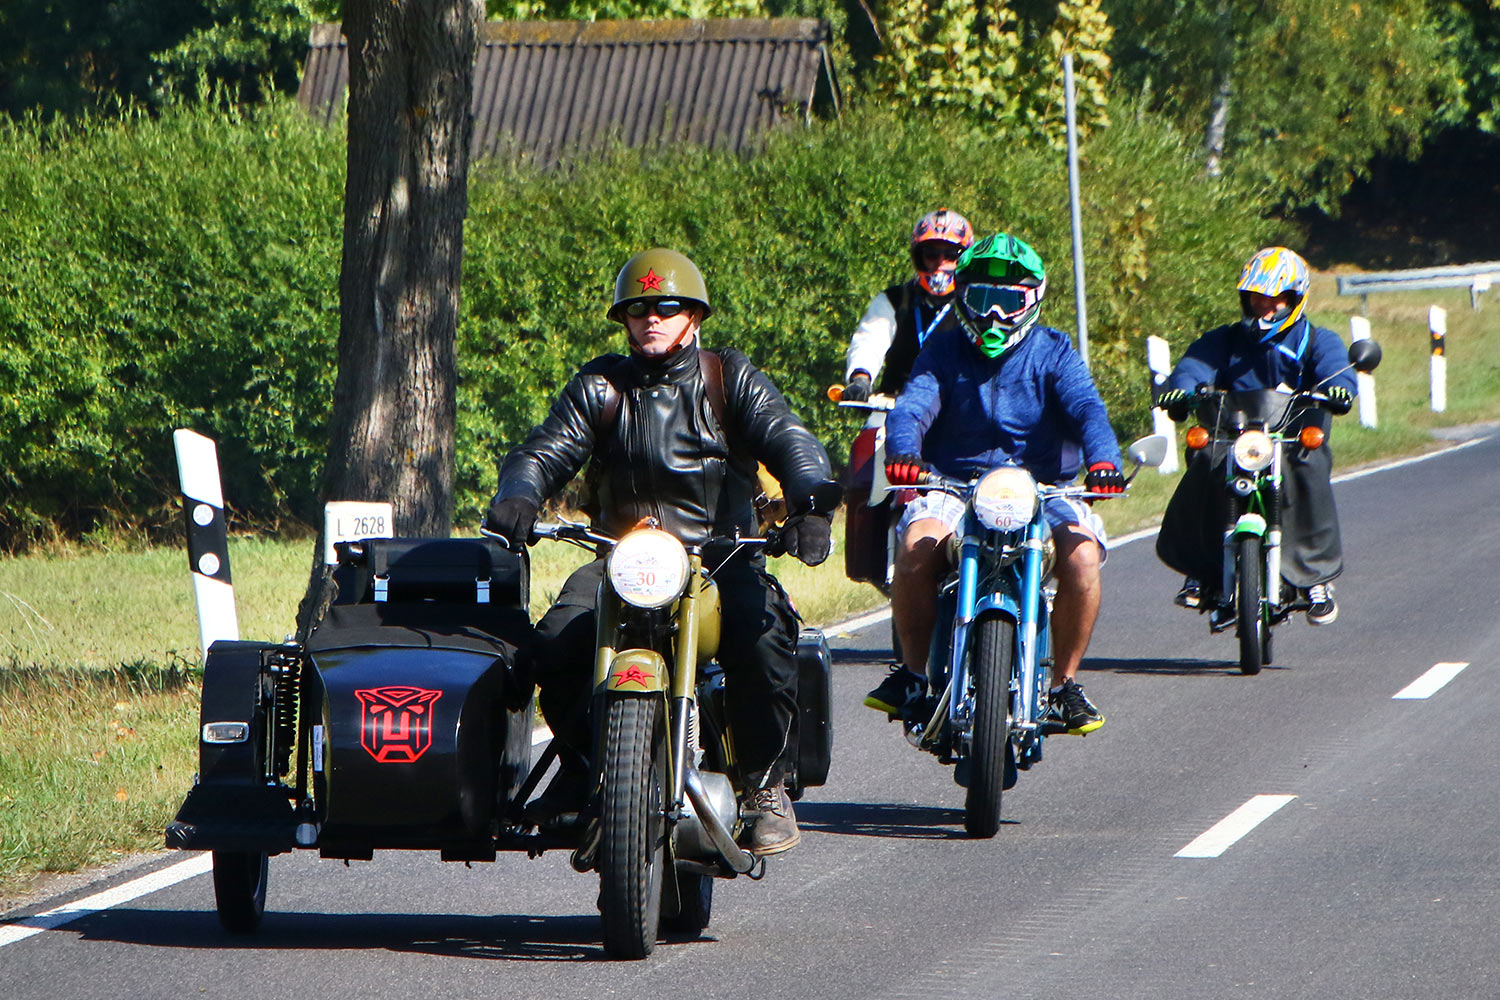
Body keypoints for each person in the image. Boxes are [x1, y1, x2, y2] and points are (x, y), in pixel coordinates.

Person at [486, 247, 834, 856]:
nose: (652, 318)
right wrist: (519, 493)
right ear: (624, 320)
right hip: (619, 560)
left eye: (667, 307)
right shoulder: (601, 387)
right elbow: (544, 449)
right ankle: (585, 762)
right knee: (557, 645)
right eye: (639, 308)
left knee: (764, 639)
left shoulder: (728, 379)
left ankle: (761, 785)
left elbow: (790, 438)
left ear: (694, 317)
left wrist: (811, 507)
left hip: (721, 558)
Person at [864, 233, 1124, 735]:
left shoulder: (1055, 350)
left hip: (1045, 489)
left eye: (1009, 302)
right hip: (953, 484)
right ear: (962, 295)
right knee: (916, 548)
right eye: (983, 299)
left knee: (1083, 557)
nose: (994, 316)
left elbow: (1089, 410)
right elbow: (912, 406)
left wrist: (1105, 463)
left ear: (1034, 300)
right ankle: (915, 677)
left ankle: (1064, 686)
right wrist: (903, 455)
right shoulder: (943, 346)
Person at [1155, 246, 1356, 627]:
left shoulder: (1315, 339)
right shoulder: (1226, 340)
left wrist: (1340, 388)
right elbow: (1196, 365)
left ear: (1294, 299)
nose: (1264, 306)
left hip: (1291, 439)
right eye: (1256, 297)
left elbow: (1336, 368)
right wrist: (1181, 389)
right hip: (1232, 437)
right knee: (1203, 460)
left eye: (1275, 299)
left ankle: (1315, 578)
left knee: (1311, 469)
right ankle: (1202, 569)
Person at [841, 208, 975, 402]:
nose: (940, 262)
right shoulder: (894, 300)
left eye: (951, 254)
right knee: (869, 433)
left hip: (952, 411)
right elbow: (869, 341)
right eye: (931, 253)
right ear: (918, 256)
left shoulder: (975, 304)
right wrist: (861, 378)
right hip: (892, 404)